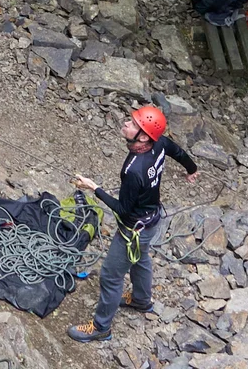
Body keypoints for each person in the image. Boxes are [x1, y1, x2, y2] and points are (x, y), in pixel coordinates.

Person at [66, 106, 200, 340]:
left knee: (110, 275)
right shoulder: (159, 144)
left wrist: (94, 188)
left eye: (132, 124)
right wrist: (192, 169)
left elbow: (123, 211)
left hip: (134, 227)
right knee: (141, 258)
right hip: (151, 220)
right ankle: (141, 300)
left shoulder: (134, 171)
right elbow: (178, 152)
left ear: (143, 136)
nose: (126, 124)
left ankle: (101, 328)